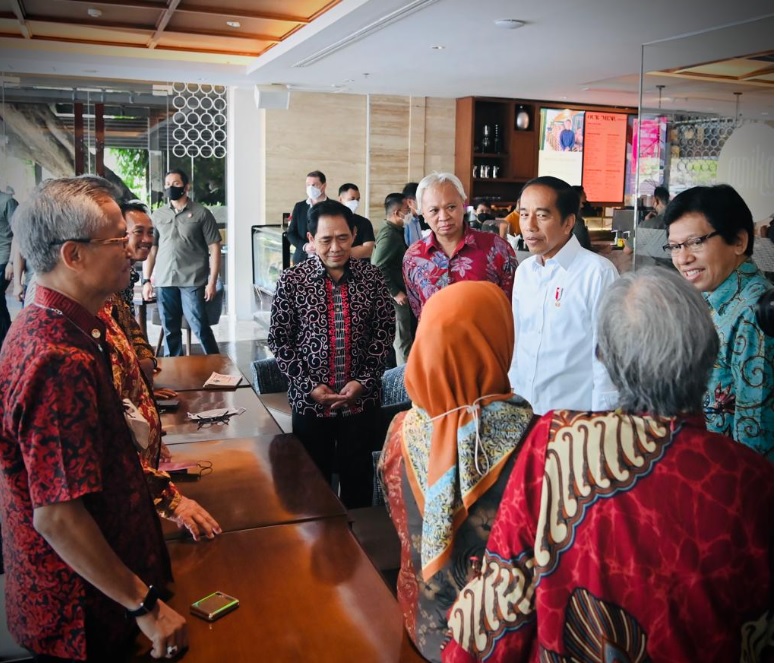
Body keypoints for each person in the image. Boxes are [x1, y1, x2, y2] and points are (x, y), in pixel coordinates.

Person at [443, 268, 773, 663]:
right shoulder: (750, 478)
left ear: (603, 357)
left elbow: (501, 599)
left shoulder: (554, 440)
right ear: (708, 356)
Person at [0, 176, 188, 660]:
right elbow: (59, 516)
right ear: (73, 255)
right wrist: (143, 604)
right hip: (82, 610)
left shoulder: (62, 323)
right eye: (114, 239)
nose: (130, 248)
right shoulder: (57, 356)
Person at [379, 280, 534, 662]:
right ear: (497, 343)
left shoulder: (401, 430)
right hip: (503, 640)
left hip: (419, 629)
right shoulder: (535, 437)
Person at [268, 199, 394, 508]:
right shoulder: (291, 281)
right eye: (325, 239)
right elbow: (279, 341)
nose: (335, 247)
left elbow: (384, 333)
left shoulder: (372, 278)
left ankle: (357, 551)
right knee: (312, 486)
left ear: (353, 234)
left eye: (342, 237)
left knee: (359, 484)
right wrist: (310, 387)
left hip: (362, 403)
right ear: (311, 241)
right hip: (311, 405)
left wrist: (363, 381)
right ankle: (321, 550)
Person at [665, 184, 773, 459]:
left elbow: (756, 432)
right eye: (675, 247)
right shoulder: (714, 300)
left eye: (696, 242)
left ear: (739, 241)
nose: (683, 258)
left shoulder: (753, 314)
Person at [509, 176, 618, 414]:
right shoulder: (525, 271)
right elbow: (518, 340)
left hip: (574, 420)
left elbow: (607, 356)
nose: (529, 226)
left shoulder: (597, 273)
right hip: (525, 412)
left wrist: (602, 421)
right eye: (524, 214)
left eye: (542, 215)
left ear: (568, 223)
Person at [402, 172, 517, 320]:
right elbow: (418, 310)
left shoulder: (497, 248)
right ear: (423, 213)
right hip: (436, 342)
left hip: (487, 341)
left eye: (451, 207)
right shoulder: (413, 257)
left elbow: (512, 305)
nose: (444, 217)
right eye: (434, 210)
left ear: (463, 204)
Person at [142, 168, 222, 356]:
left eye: (175, 184)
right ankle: (173, 370)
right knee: (170, 329)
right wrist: (146, 280)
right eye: (168, 184)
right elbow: (152, 249)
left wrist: (212, 282)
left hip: (192, 280)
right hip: (165, 280)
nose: (171, 188)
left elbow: (215, 248)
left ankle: (217, 363)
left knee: (200, 327)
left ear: (186, 187)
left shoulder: (202, 213)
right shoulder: (158, 215)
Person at [372, 192, 416, 365]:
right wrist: (395, 292)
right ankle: (404, 383)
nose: (410, 212)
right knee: (402, 341)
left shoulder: (396, 231)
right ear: (397, 213)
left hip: (400, 293)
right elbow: (377, 266)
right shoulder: (389, 235)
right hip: (396, 298)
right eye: (407, 209)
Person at [287, 170, 328, 264]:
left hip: (326, 260)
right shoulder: (299, 207)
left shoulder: (333, 207)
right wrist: (305, 246)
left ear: (323, 186)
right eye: (308, 185)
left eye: (314, 185)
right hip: (301, 259)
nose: (310, 188)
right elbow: (291, 233)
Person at [337, 182, 376, 260]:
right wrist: (358, 249)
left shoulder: (364, 222)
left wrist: (339, 254)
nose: (355, 203)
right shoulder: (331, 222)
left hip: (359, 269)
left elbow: (369, 249)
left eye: (358, 199)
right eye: (352, 199)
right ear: (340, 199)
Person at [0, 186, 19, 348]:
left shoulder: (8, 202)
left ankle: (7, 343)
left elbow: (18, 234)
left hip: (3, 259)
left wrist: (11, 263)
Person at [401, 181, 429, 247]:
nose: (426, 204)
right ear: (410, 202)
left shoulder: (417, 219)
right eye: (421, 201)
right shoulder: (404, 223)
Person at [570, 185, 593, 250]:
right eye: (582, 203)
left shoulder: (574, 221)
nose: (582, 206)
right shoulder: (576, 223)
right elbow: (583, 248)